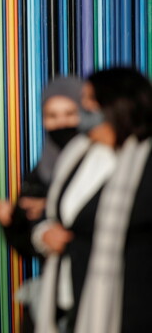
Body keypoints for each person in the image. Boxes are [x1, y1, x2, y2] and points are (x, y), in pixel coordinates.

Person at [33, 67, 152, 333]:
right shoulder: (78, 152)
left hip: (128, 309)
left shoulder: (144, 160)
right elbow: (55, 214)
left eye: (89, 99)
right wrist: (44, 233)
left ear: (115, 104)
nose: (82, 107)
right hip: (69, 301)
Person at [0, 77, 83, 261]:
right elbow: (29, 246)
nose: (61, 123)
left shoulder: (104, 160)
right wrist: (12, 217)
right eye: (52, 116)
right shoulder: (41, 171)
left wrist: (52, 206)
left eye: (70, 114)